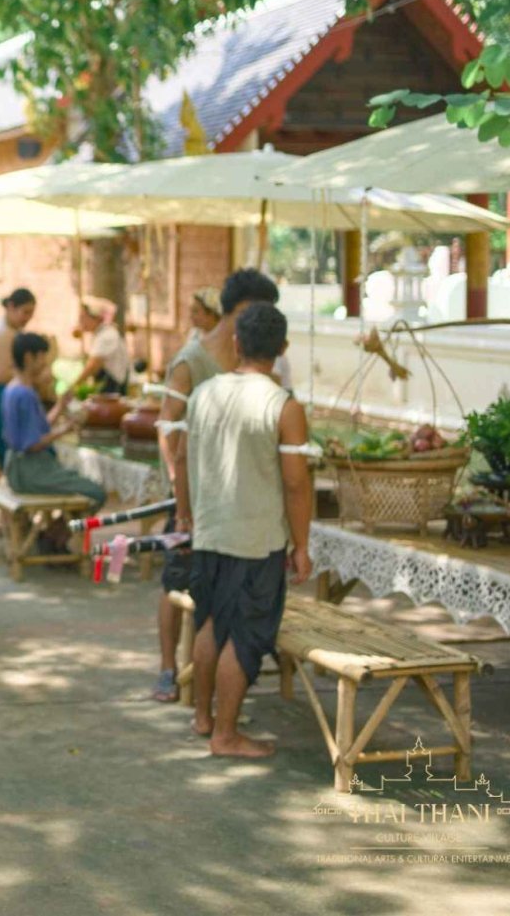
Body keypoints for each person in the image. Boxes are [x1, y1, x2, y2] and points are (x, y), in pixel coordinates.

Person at [179, 302, 312, 758]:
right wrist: (302, 545)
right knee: (245, 636)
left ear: (235, 343)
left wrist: (187, 513)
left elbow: (180, 459)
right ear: (282, 349)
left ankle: (203, 718)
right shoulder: (283, 406)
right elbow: (296, 485)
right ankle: (226, 735)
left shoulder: (203, 394)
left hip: (211, 531)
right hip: (257, 542)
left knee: (210, 623)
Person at [151, 268, 280, 703]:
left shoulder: (254, 359)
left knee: (218, 609)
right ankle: (168, 669)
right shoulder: (193, 359)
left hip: (240, 501)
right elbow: (168, 429)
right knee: (176, 584)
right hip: (193, 497)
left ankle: (212, 698)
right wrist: (181, 499)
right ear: (240, 309)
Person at [0, 333, 106, 507]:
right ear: (28, 358)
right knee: (95, 492)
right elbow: (33, 443)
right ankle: (60, 532)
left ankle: (55, 531)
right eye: (42, 357)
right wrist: (65, 429)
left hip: (17, 468)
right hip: (30, 470)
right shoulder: (25, 394)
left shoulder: (12, 388)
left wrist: (60, 406)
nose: (44, 363)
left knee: (76, 477)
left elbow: (36, 428)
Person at [0, 288, 37, 462]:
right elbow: (2, 374)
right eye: (25, 312)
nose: (27, 318)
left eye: (31, 313)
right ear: (11, 307)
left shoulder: (6, 329)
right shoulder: (4, 333)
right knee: (4, 447)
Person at [68, 297, 130, 396]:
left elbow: (93, 364)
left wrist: (74, 386)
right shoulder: (100, 335)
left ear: (96, 318)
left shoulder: (107, 335)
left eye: (84, 318)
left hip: (113, 389)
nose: (81, 322)